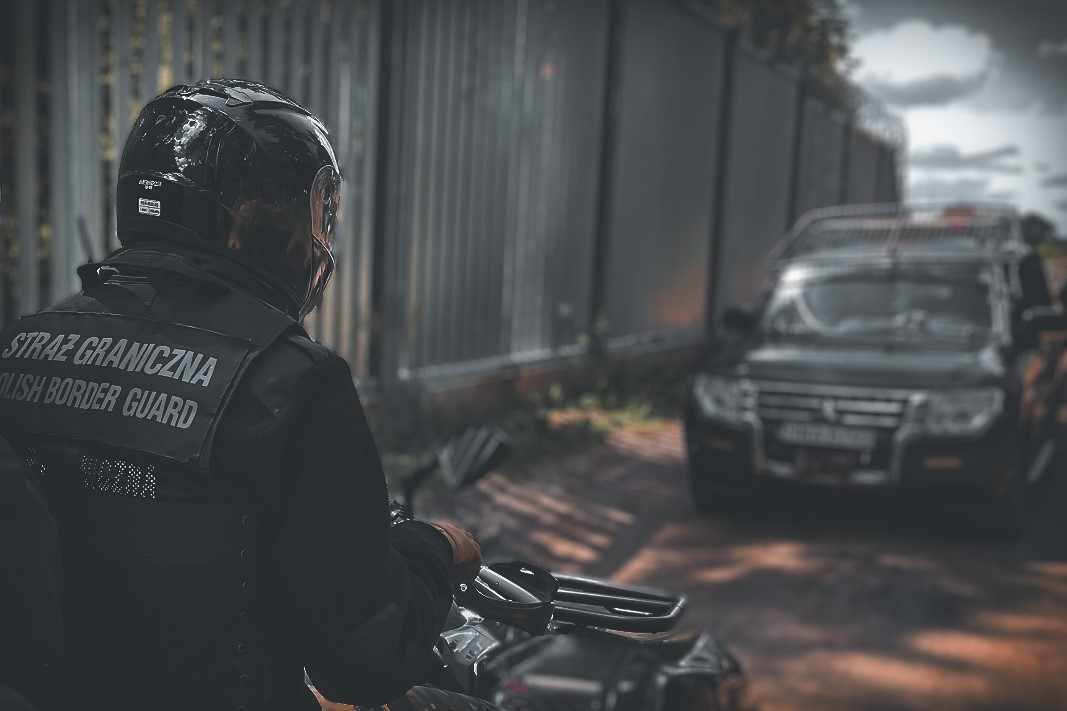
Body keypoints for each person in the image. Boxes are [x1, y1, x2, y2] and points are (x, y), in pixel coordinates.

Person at [0, 79, 493, 711]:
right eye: (314, 209)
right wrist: (435, 550)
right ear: (267, 219)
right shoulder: (290, 378)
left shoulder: (22, 347)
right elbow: (364, 660)